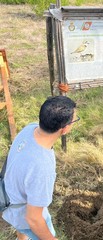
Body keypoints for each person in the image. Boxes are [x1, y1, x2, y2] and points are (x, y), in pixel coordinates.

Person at [2, 96, 79, 240]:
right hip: (22, 215)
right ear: (65, 129)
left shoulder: (30, 128)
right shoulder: (42, 168)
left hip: (8, 197)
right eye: (75, 120)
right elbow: (34, 219)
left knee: (22, 230)